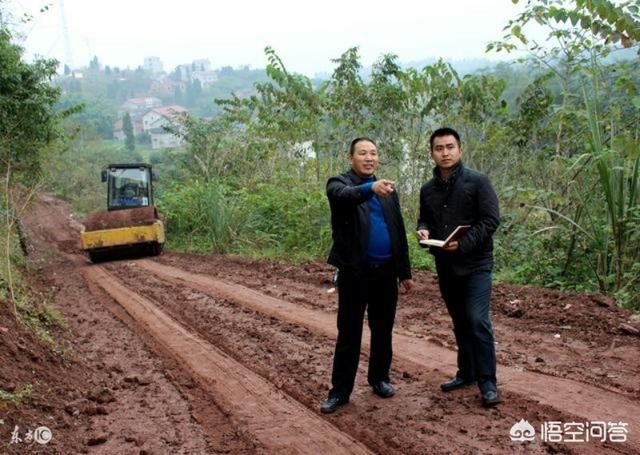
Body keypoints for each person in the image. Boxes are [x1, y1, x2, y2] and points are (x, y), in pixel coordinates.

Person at [320, 137, 414, 414]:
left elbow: (397, 230)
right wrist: (370, 188)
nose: (369, 158)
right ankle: (340, 391)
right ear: (351, 158)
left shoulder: (388, 191)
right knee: (349, 333)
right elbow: (344, 197)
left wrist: (404, 272)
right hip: (354, 273)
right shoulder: (339, 184)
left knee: (382, 330)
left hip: (386, 273)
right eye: (363, 153)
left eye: (373, 153)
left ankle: (379, 378)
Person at [416, 127, 501, 407]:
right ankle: (466, 373)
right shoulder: (427, 190)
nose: (445, 152)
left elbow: (490, 220)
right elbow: (424, 220)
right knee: (460, 322)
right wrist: (423, 232)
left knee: (477, 320)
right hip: (446, 266)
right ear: (432, 153)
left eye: (450, 147)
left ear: (460, 150)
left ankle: (488, 382)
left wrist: (463, 245)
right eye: (439, 148)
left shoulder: (478, 181)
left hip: (476, 264)